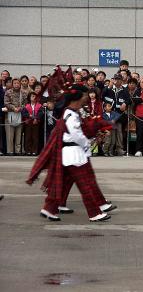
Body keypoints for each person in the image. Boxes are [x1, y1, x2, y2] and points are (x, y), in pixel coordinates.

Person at [26, 84, 116, 222]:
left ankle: (49, 208)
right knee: (85, 184)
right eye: (85, 96)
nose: (87, 98)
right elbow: (76, 135)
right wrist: (87, 143)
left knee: (64, 182)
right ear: (77, 98)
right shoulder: (71, 114)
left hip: (72, 153)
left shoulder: (72, 112)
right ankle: (94, 213)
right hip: (74, 154)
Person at [102, 73, 131, 156]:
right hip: (109, 115)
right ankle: (108, 150)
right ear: (113, 80)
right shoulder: (109, 89)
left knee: (119, 132)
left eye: (119, 79)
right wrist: (108, 87)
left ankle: (119, 149)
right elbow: (102, 96)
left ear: (122, 81)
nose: (117, 81)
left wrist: (125, 103)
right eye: (115, 79)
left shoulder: (124, 90)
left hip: (119, 115)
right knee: (110, 133)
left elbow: (129, 100)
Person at [4, 78, 28, 155]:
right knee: (10, 135)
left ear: (20, 84)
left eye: (18, 83)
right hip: (10, 114)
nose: (16, 85)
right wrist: (13, 108)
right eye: (15, 83)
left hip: (19, 115)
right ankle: (10, 151)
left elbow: (26, 103)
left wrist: (20, 108)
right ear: (12, 84)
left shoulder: (23, 93)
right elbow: (6, 103)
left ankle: (18, 151)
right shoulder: (8, 92)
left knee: (19, 134)